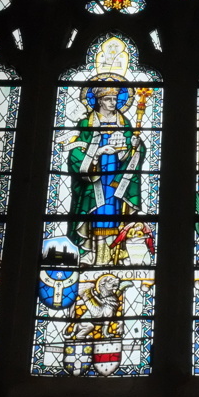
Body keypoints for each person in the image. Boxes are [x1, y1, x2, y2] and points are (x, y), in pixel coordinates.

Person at [68, 85, 144, 265]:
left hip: (117, 178)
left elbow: (132, 152)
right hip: (95, 177)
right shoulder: (87, 124)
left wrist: (134, 146)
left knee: (114, 212)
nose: (113, 102)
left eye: (115, 99)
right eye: (109, 99)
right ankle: (93, 254)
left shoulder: (124, 123)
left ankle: (112, 255)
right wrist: (99, 152)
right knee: (96, 212)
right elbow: (75, 152)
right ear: (100, 101)